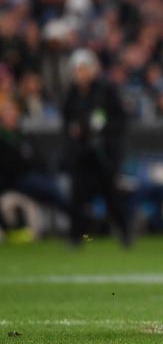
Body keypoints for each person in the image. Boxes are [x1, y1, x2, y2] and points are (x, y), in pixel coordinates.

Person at [62, 48, 133, 247]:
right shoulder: (72, 93)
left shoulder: (106, 90)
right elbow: (67, 122)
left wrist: (102, 129)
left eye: (84, 69)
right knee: (78, 196)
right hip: (82, 153)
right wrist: (75, 132)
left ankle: (125, 233)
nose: (81, 73)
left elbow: (120, 121)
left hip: (104, 152)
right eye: (77, 69)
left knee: (111, 194)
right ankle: (76, 237)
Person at [0, 99, 71, 240]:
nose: (12, 116)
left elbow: (38, 158)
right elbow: (11, 166)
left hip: (32, 177)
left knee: (57, 184)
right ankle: (78, 219)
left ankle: (77, 220)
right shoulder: (3, 139)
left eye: (13, 112)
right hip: (16, 181)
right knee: (52, 189)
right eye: (8, 113)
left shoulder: (23, 136)